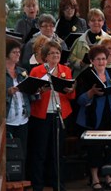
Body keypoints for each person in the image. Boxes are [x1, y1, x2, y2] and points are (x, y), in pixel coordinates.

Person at [28, 41, 76, 191]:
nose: (55, 55)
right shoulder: (37, 71)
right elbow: (30, 92)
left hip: (59, 113)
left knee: (58, 152)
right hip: (42, 115)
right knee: (40, 152)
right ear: (45, 56)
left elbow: (72, 95)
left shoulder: (65, 70)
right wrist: (39, 91)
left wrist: (69, 90)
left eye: (58, 53)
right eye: (52, 53)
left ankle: (58, 184)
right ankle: (38, 185)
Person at [75, 45, 111, 190]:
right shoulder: (85, 75)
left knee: (110, 148)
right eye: (98, 59)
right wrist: (91, 92)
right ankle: (94, 178)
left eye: (104, 59)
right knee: (94, 148)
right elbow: (79, 100)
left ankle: (108, 176)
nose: (101, 62)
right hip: (93, 117)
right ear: (92, 61)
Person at [5, 39, 32, 167]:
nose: (17, 54)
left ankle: (21, 178)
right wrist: (7, 92)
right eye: (14, 52)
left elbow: (30, 93)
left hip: (22, 116)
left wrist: (36, 89)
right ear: (6, 54)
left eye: (19, 52)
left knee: (22, 151)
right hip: (7, 116)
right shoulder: (0, 72)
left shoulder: (22, 71)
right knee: (8, 151)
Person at [68, 8, 111, 75]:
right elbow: (70, 58)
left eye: (99, 20)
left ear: (103, 22)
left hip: (103, 76)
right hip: (81, 75)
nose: (96, 23)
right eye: (93, 20)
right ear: (88, 22)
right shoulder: (79, 40)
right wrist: (81, 63)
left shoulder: (109, 40)